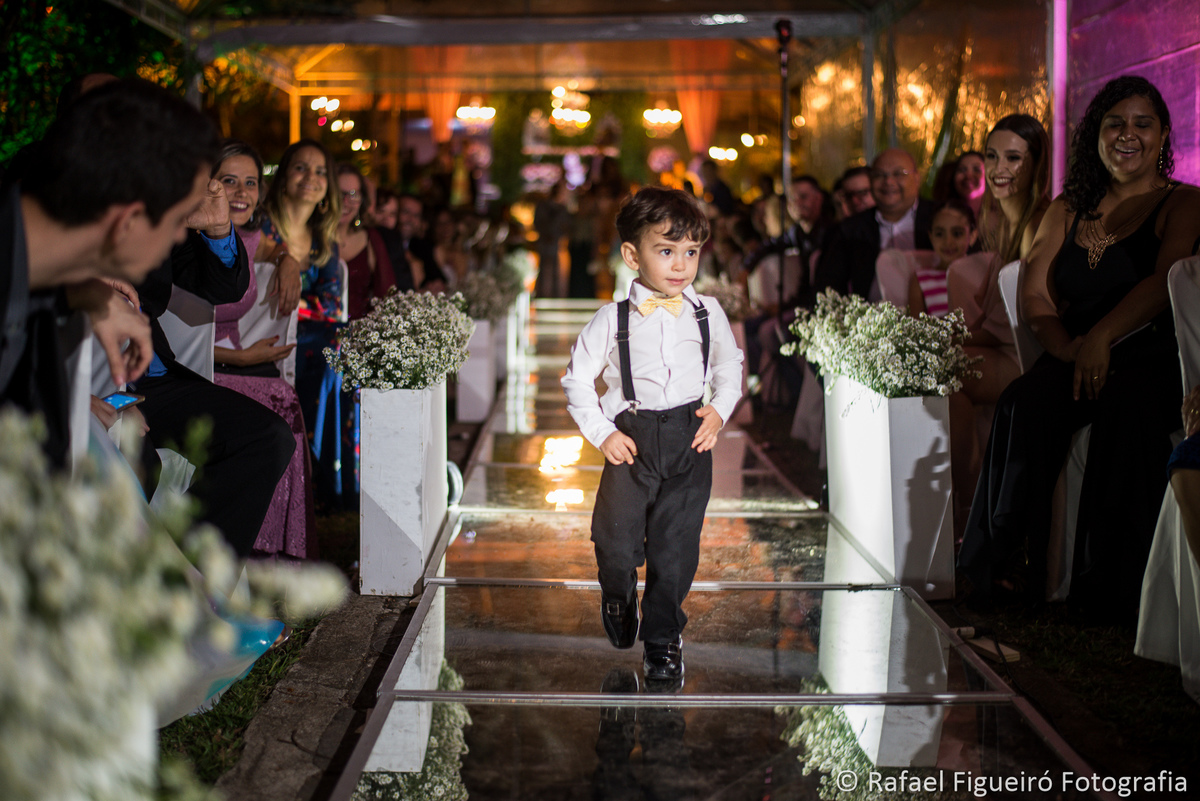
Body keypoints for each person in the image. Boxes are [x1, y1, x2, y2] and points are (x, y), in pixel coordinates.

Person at [958, 75, 1200, 622]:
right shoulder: (1069, 206)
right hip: (1073, 351)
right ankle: (1008, 564)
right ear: (1095, 134)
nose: (1128, 135)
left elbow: (1166, 280)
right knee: (1024, 401)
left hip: (1149, 354)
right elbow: (1035, 289)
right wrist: (1064, 345)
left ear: (1163, 135)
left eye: (1143, 124)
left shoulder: (1182, 203)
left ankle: (1108, 588)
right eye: (1115, 123)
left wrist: (1102, 339)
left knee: (1128, 407)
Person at [561, 187, 744, 687]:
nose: (681, 264)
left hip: (689, 439)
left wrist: (719, 411)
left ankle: (663, 638)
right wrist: (601, 433)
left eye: (691, 252)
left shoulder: (707, 312)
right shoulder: (611, 318)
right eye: (666, 251)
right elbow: (577, 379)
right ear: (631, 256)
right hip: (631, 441)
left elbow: (730, 365)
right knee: (615, 540)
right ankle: (617, 593)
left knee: (676, 547)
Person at [1, 77, 205, 465]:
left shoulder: (37, 267)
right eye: (179, 217)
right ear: (129, 216)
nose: (181, 236)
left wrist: (81, 292)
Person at [210, 140, 315, 559]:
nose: (241, 193)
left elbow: (280, 249)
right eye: (229, 181)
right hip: (196, 371)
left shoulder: (251, 239)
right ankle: (238, 543)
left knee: (285, 398)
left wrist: (288, 259)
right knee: (274, 402)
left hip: (236, 361)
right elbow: (175, 339)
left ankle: (272, 548)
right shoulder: (185, 244)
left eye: (250, 183)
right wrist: (240, 359)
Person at [258, 140, 351, 506]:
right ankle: (307, 465)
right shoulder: (259, 224)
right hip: (261, 332)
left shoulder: (322, 240)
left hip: (310, 336)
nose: (310, 177)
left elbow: (331, 305)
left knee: (338, 346)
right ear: (283, 176)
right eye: (300, 167)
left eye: (320, 171)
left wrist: (289, 295)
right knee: (331, 347)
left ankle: (318, 468)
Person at [811, 149, 933, 305]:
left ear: (917, 178)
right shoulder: (850, 230)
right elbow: (828, 287)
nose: (888, 181)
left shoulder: (938, 219)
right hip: (870, 319)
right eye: (879, 175)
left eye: (898, 173)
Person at [336, 162, 396, 320]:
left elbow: (386, 295)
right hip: (314, 336)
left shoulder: (371, 239)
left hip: (360, 335)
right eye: (339, 194)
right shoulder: (313, 238)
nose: (346, 202)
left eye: (354, 195)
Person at [907, 199, 978, 318]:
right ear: (931, 236)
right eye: (940, 234)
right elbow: (915, 328)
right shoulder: (921, 279)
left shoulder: (982, 275)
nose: (948, 242)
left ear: (972, 236)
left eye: (957, 233)